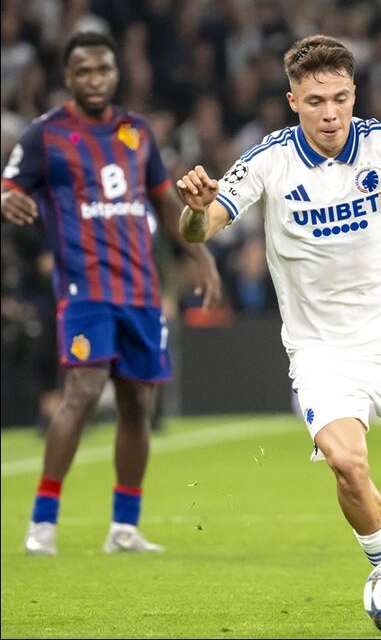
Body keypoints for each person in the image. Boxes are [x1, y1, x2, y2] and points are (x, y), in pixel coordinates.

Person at [173, 35, 381, 595]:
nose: (330, 113)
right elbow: (201, 229)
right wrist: (194, 211)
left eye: (340, 98)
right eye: (314, 101)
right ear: (292, 101)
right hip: (322, 351)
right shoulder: (269, 161)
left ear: (354, 94)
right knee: (347, 463)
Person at [1, 31, 222, 556]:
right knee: (81, 390)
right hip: (84, 289)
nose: (94, 79)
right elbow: (10, 185)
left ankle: (124, 526)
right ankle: (43, 523)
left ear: (116, 72)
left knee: (136, 406)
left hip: (141, 289)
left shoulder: (137, 132)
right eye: (83, 71)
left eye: (103, 69)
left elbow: (167, 203)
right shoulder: (45, 135)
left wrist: (201, 254)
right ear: (68, 76)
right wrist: (6, 200)